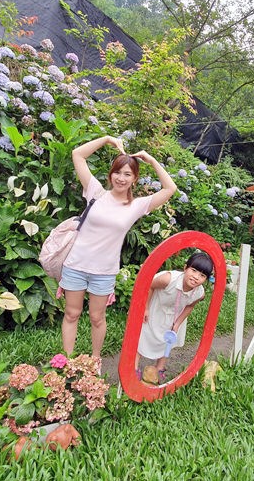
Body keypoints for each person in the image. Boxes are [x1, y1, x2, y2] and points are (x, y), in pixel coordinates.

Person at [60, 134, 177, 362]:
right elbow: (78, 154)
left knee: (97, 318)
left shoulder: (136, 206)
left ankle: (94, 361)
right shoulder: (95, 192)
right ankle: (67, 362)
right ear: (110, 174)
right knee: (71, 314)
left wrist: (152, 161)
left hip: (104, 272)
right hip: (75, 265)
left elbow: (169, 188)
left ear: (134, 179)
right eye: (117, 172)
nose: (121, 178)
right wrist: (105, 139)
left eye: (127, 174)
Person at [136, 252, 214, 383]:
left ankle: (160, 367)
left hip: (174, 314)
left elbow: (190, 306)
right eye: (193, 270)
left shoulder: (199, 293)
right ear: (185, 268)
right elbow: (149, 286)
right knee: (143, 335)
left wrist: (177, 323)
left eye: (202, 275)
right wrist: (146, 308)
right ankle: (134, 366)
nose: (196, 277)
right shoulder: (168, 279)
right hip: (156, 307)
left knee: (168, 340)